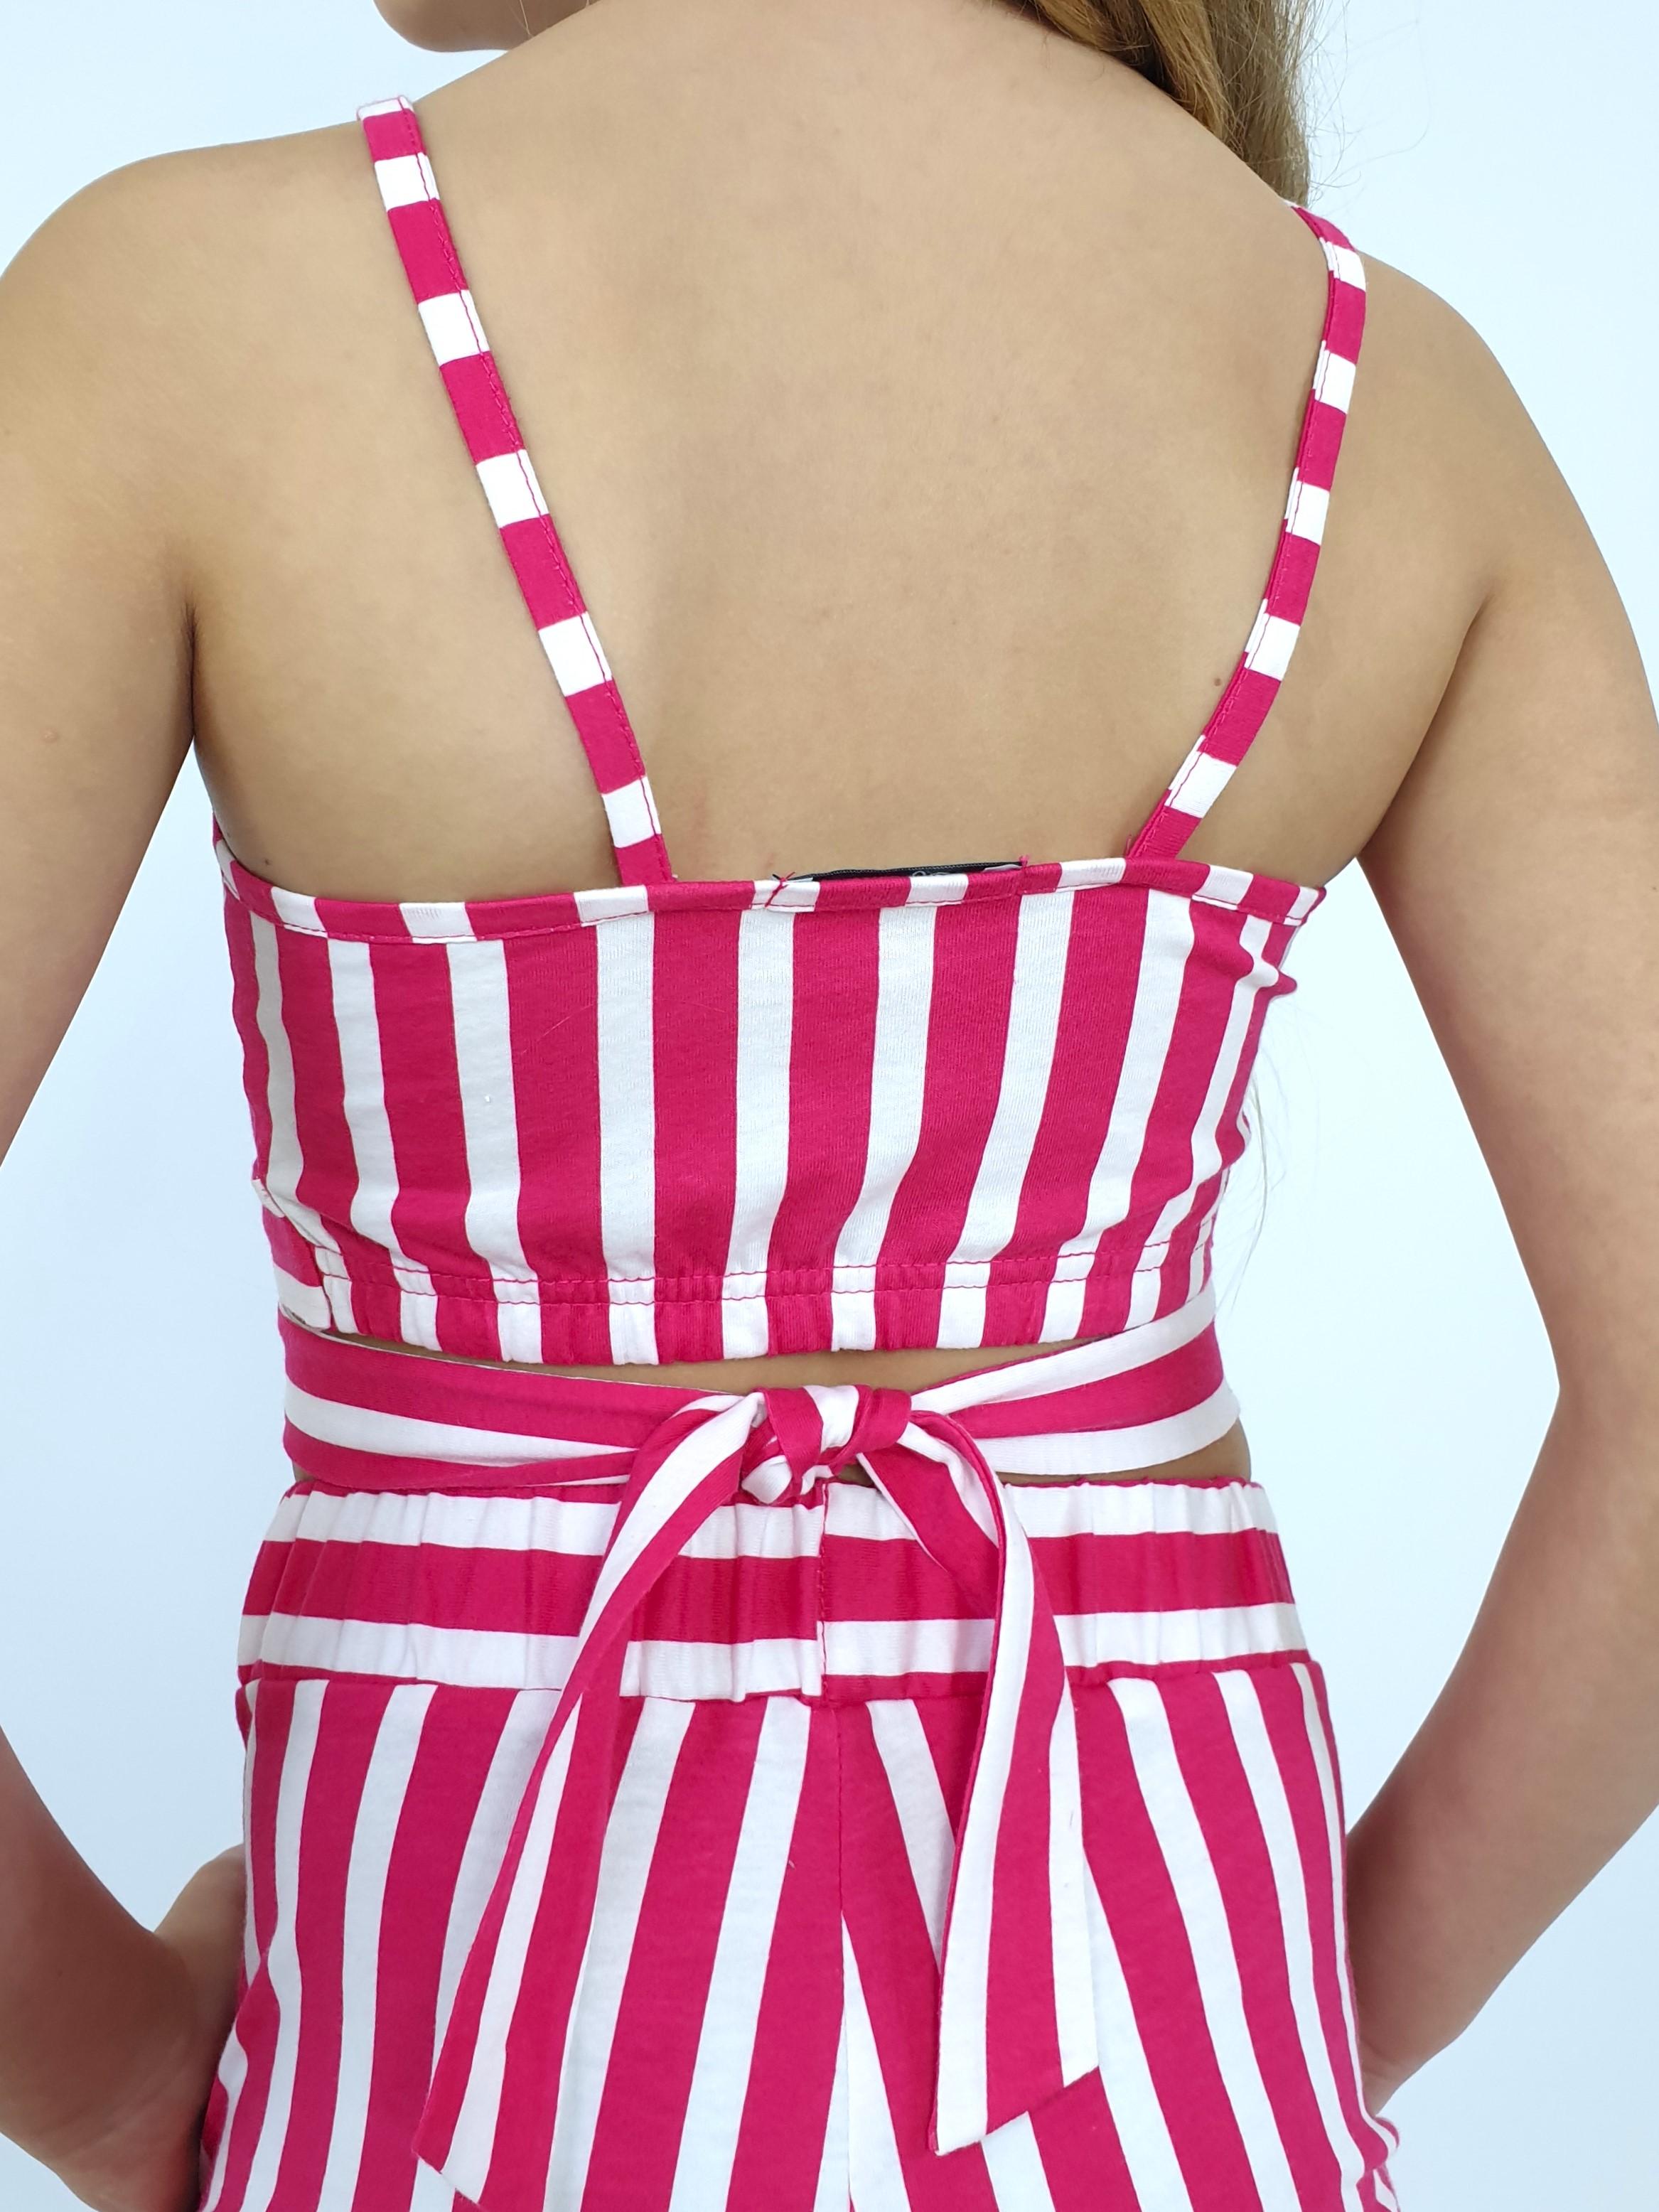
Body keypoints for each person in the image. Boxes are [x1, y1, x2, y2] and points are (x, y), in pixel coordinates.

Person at [1, 0, 1655, 2205]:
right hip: (1161, 2087)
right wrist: (1283, 2025)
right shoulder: (1388, 392)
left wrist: (113, 2087)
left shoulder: (199, 314)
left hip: (446, 2090)